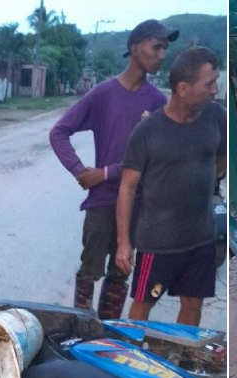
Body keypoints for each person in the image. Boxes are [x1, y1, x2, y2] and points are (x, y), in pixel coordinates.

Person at [49, 18, 175, 317]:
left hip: (138, 206)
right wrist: (80, 171)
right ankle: (81, 332)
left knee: (121, 273)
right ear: (135, 48)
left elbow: (153, 161)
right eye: (156, 47)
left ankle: (108, 336)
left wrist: (104, 173)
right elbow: (59, 132)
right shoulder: (103, 94)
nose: (162, 55)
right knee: (89, 271)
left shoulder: (157, 102)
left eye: (165, 49)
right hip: (103, 202)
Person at [115, 46, 226, 326]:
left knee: (192, 304)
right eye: (209, 83)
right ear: (183, 89)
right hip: (158, 243)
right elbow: (127, 188)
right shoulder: (148, 131)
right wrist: (124, 243)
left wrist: (208, 182)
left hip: (201, 238)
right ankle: (136, 359)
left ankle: (182, 359)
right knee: (143, 305)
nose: (215, 90)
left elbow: (222, 156)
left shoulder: (216, 117)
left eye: (216, 82)